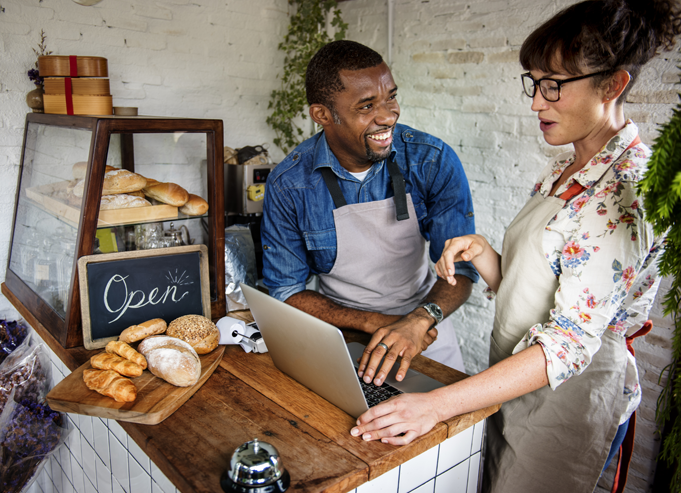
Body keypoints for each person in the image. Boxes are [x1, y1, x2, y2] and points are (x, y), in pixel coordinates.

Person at [349, 1, 681, 491]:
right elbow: (536, 290)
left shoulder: (624, 191)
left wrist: (439, 403)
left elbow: (568, 342)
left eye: (553, 86)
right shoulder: (563, 168)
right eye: (534, 83)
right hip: (515, 378)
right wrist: (484, 254)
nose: (536, 103)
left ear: (613, 85)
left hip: (568, 396)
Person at [261, 40, 479, 380]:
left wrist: (419, 319)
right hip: (341, 334)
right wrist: (374, 322)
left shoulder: (431, 160)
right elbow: (287, 291)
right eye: (366, 106)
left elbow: (461, 270)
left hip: (425, 333)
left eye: (390, 96)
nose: (388, 115)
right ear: (322, 115)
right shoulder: (289, 184)